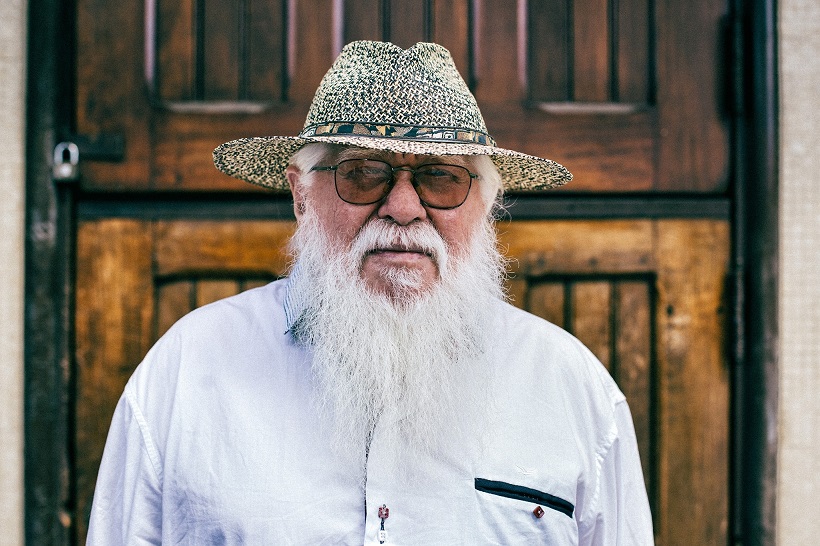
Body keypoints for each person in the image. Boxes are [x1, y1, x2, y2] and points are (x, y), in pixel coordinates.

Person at [87, 41, 653, 544]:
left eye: (441, 177)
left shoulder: (571, 387)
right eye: (362, 173)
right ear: (301, 195)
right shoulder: (189, 369)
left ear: (485, 204)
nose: (403, 209)